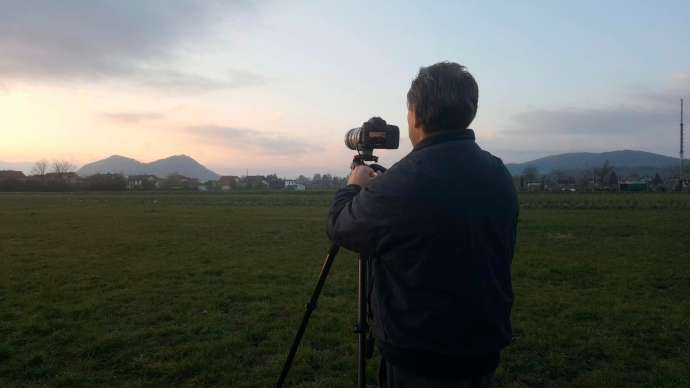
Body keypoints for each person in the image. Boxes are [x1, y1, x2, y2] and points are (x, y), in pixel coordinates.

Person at [327, 62, 518, 388]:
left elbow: (341, 226)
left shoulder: (404, 182)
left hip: (419, 358)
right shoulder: (498, 173)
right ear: (470, 110)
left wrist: (356, 186)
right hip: (482, 350)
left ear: (415, 114)